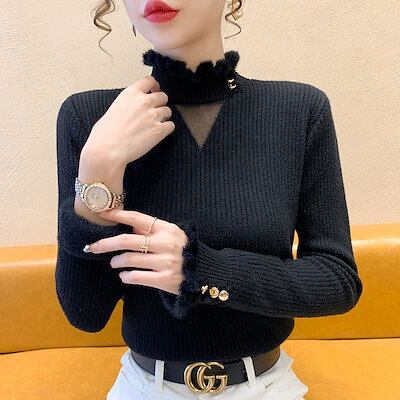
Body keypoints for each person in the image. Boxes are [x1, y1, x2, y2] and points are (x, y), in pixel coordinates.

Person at [55, 1, 363, 399]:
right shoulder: (91, 118)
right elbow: (85, 314)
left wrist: (202, 271)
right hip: (145, 388)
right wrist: (99, 166)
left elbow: (337, 281)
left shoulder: (298, 110)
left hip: (266, 387)